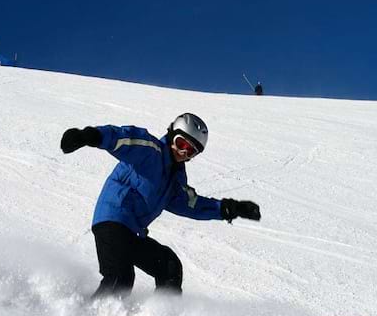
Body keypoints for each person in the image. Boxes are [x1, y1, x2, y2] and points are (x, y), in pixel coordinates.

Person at [60, 113, 262, 298]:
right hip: (112, 220)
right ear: (172, 133)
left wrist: (229, 208)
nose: (183, 152)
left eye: (191, 151)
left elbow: (193, 204)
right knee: (120, 278)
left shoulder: (174, 184)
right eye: (181, 143)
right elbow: (124, 139)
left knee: (169, 266)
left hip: (132, 232)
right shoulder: (151, 151)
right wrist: (89, 136)